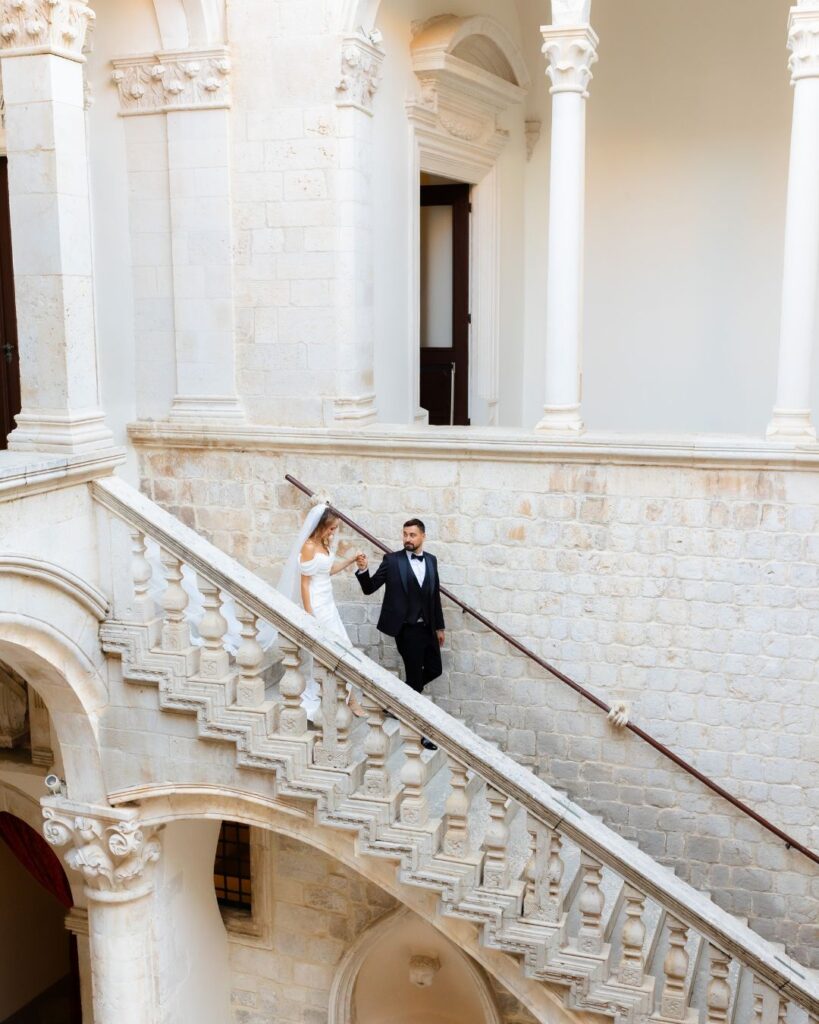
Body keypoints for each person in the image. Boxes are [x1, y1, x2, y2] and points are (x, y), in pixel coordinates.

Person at [355, 518, 445, 749]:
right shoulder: (392, 560)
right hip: (406, 630)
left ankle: (396, 700)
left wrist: (439, 628)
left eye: (412, 535)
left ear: (423, 536)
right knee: (415, 678)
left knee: (435, 669)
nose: (407, 539)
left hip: (428, 628)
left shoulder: (432, 561)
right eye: (405, 534)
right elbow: (369, 588)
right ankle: (421, 732)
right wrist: (363, 570)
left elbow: (434, 596)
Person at [278, 502, 366, 721]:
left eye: (335, 528)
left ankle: (347, 697)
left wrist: (351, 559)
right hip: (317, 606)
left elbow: (329, 570)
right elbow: (305, 584)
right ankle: (346, 699)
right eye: (331, 528)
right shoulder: (308, 547)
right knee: (336, 651)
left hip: (329, 603)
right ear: (320, 526)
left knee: (344, 649)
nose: (333, 532)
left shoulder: (326, 545)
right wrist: (310, 615)